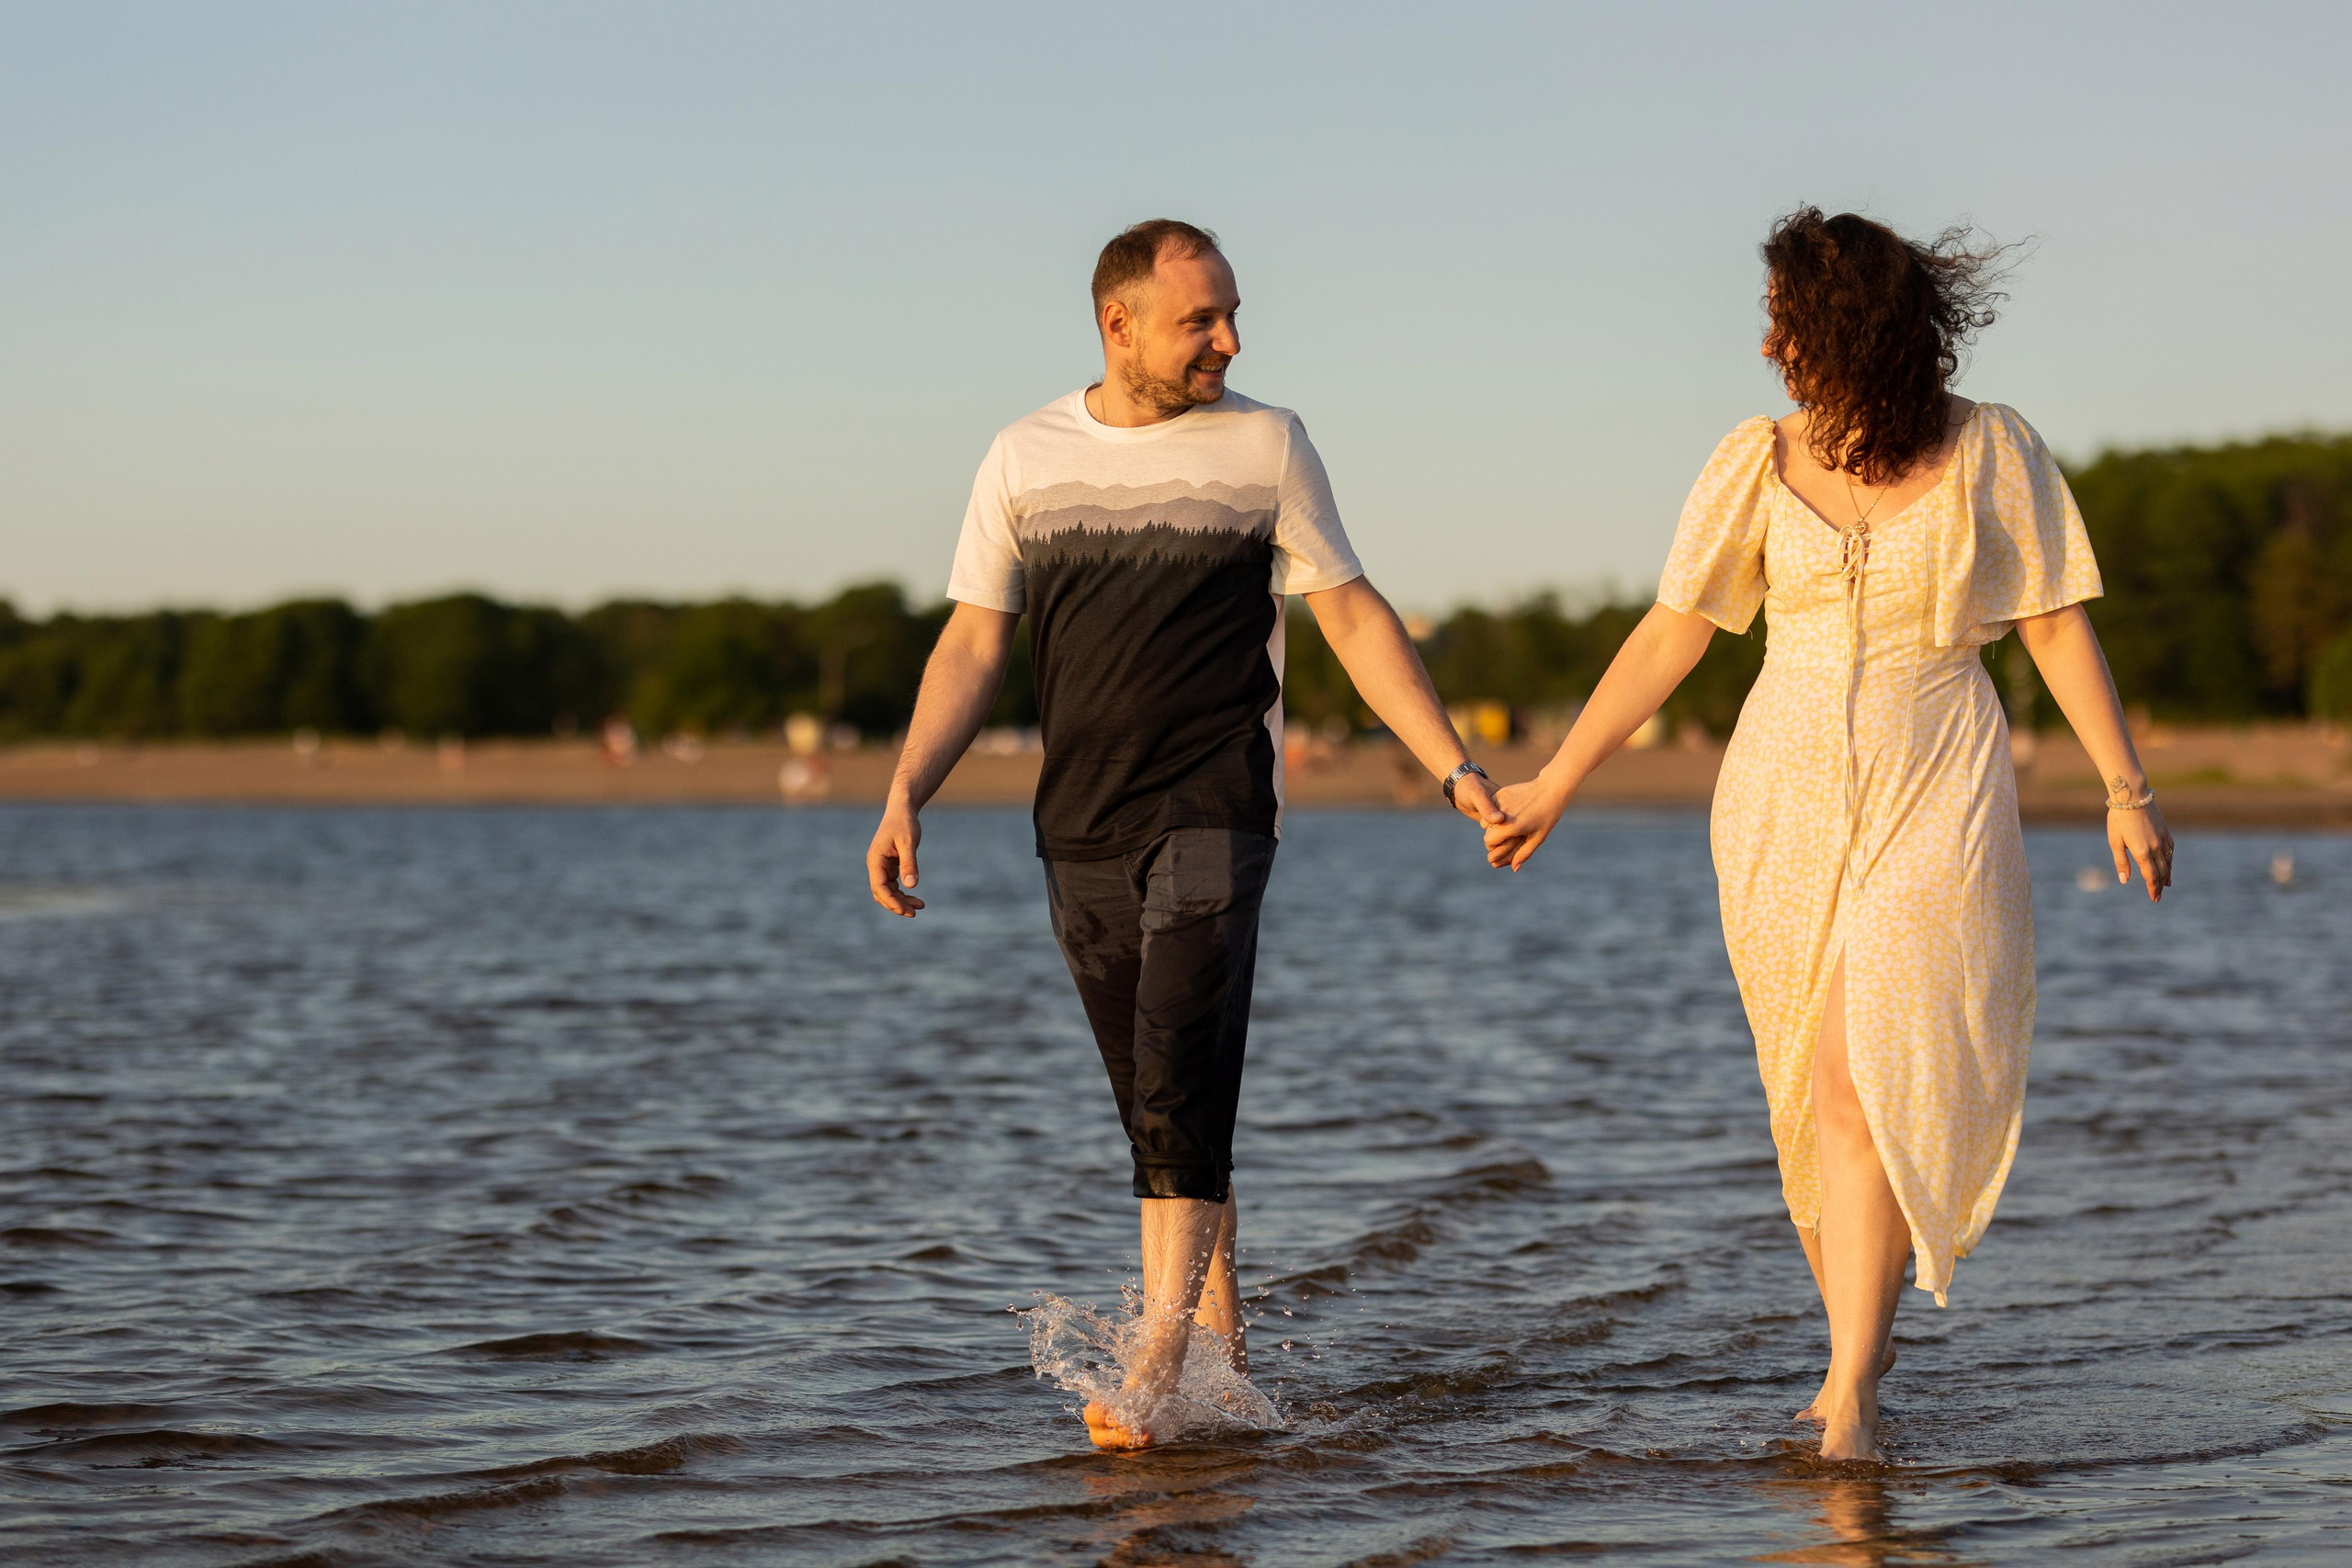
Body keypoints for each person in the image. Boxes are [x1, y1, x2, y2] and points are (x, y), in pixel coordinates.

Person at [1483, 208, 2175, 1462]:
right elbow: (1673, 631)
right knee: (1814, 1098)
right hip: (1778, 796)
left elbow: (2056, 623)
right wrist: (1558, 778)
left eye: (1783, 322)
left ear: (1843, 327)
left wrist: (2125, 785)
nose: (1766, 348)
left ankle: (1848, 1391)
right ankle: (1860, 1345)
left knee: (1870, 1072)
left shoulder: (1990, 451)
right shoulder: (1756, 461)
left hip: (1937, 780)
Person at [865, 219, 1506, 1450]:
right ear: (1119, 326)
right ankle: (1231, 1364)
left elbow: (1354, 616)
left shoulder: (1266, 443)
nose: (1230, 338)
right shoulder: (1022, 457)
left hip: (1215, 807)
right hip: (1080, 826)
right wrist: (906, 791)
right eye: (1200, 319)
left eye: (1231, 314)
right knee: (1166, 1093)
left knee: (1175, 1065)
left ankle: (1158, 1365)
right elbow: (973, 642)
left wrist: (1455, 766)